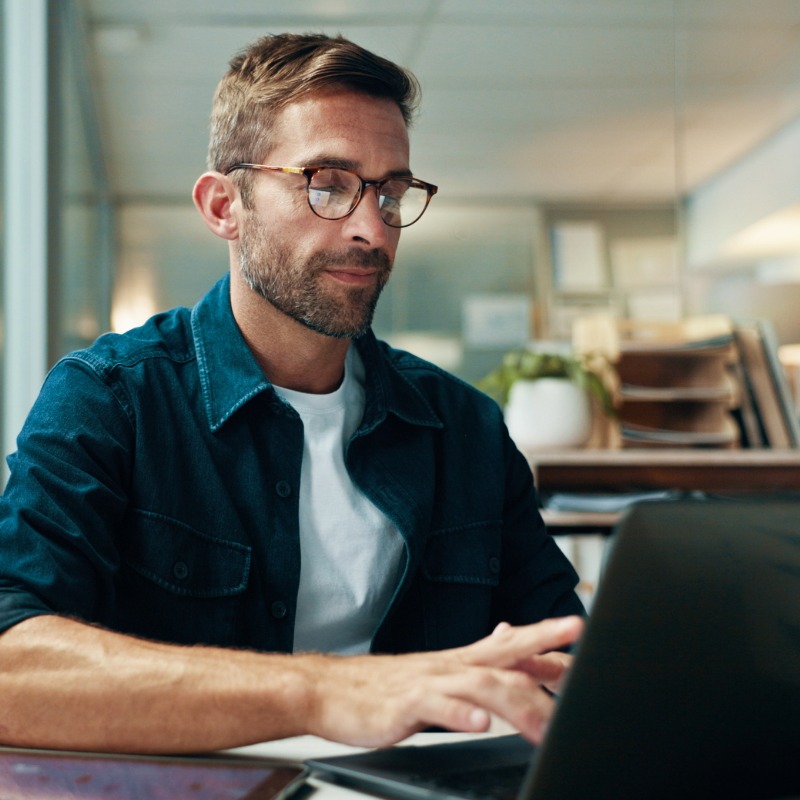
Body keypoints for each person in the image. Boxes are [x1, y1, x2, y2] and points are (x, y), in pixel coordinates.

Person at [0, 32, 584, 754]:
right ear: (224, 206)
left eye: (392, 192)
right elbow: (11, 667)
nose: (373, 229)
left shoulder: (462, 425)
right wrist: (321, 693)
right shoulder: (111, 400)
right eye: (327, 184)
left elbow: (566, 656)